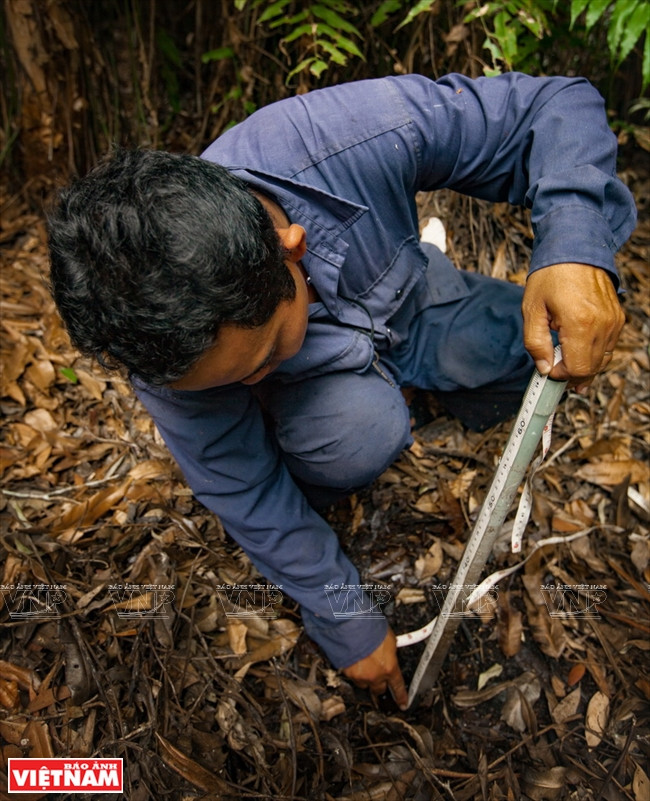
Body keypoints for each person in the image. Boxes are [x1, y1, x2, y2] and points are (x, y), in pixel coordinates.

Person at [48, 72, 635, 710]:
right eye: (229, 385)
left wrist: (574, 245)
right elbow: (242, 487)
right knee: (359, 435)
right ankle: (365, 409)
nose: (249, 384)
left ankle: (414, 368)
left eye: (265, 354)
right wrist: (345, 617)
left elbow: (555, 103)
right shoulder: (156, 340)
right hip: (331, 391)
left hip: (411, 305)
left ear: (290, 250)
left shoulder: (349, 138)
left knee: (561, 335)